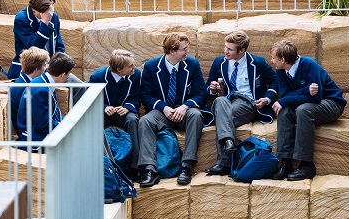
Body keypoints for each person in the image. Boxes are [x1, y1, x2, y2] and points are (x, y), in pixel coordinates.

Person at [136, 33, 207, 187]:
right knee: (144, 121)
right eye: (184, 49)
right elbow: (145, 95)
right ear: (172, 51)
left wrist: (185, 106)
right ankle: (149, 168)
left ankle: (186, 166)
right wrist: (164, 107)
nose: (187, 51)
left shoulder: (192, 65)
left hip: (185, 110)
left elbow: (201, 93)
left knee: (196, 115)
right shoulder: (151, 67)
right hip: (162, 111)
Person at [270, 39, 347, 181]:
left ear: (282, 59)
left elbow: (315, 98)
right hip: (307, 102)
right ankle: (286, 163)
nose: (271, 61)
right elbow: (286, 96)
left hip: (332, 103)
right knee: (285, 111)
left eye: (274, 58)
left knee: (303, 111)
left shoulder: (309, 64)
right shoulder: (280, 71)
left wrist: (286, 99)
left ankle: (307, 165)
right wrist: (305, 90)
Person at [203, 30, 278, 176]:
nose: (226, 51)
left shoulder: (257, 63)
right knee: (219, 101)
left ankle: (223, 163)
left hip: (247, 102)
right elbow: (206, 87)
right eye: (225, 47)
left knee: (221, 116)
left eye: (230, 49)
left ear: (242, 50)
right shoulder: (219, 62)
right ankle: (229, 144)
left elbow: (275, 81)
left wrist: (267, 98)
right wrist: (212, 89)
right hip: (225, 101)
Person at [8, 0, 84, 103]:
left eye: (50, 8)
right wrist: (45, 23)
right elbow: (33, 47)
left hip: (51, 67)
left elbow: (59, 45)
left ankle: (75, 119)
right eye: (45, 11)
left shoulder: (54, 17)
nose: (49, 13)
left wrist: (58, 64)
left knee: (81, 87)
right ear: (34, 9)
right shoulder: (21, 19)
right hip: (33, 67)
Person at [88, 49, 142, 175]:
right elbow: (89, 98)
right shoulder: (98, 77)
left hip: (124, 112)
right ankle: (98, 164)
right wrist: (104, 107)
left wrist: (128, 107)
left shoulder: (136, 75)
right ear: (119, 69)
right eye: (130, 66)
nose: (134, 67)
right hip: (105, 113)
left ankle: (135, 166)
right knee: (94, 120)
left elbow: (138, 96)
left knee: (133, 120)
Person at [16, 52, 75, 148]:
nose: (67, 78)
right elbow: (44, 124)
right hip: (36, 140)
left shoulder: (45, 81)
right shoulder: (41, 90)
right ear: (63, 75)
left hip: (42, 133)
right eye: (68, 75)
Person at [9, 46, 50, 136]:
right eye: (44, 65)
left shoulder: (24, 81)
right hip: (29, 134)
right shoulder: (21, 88)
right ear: (36, 69)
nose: (46, 68)